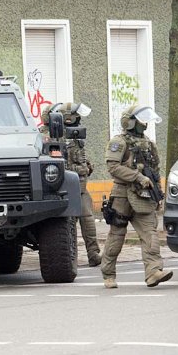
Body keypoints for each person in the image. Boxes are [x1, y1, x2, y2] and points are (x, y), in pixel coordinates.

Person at [101, 104, 172, 288]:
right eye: (141, 119)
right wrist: (137, 176)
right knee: (116, 235)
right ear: (130, 122)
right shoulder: (119, 142)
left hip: (144, 196)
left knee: (150, 234)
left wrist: (158, 195)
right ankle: (108, 274)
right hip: (122, 195)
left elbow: (155, 172)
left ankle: (153, 272)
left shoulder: (148, 144)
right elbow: (113, 167)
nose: (145, 123)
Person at [55, 102, 101, 267]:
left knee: (88, 220)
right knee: (67, 225)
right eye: (76, 115)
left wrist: (86, 165)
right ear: (68, 118)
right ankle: (68, 256)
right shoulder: (55, 137)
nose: (79, 119)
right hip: (66, 188)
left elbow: (78, 157)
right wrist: (80, 168)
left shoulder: (75, 135)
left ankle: (93, 254)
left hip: (81, 188)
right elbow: (57, 165)